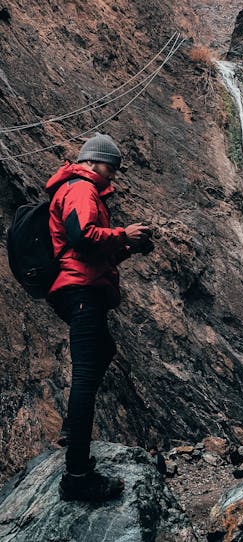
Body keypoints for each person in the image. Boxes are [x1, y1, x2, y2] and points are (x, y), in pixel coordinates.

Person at [45, 133, 152, 502]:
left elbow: (93, 253)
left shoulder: (83, 188)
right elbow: (82, 236)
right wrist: (124, 232)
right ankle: (76, 476)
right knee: (86, 377)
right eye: (110, 167)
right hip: (80, 292)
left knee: (102, 352)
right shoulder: (79, 187)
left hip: (82, 287)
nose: (112, 177)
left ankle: (71, 433)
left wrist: (127, 246)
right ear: (92, 162)